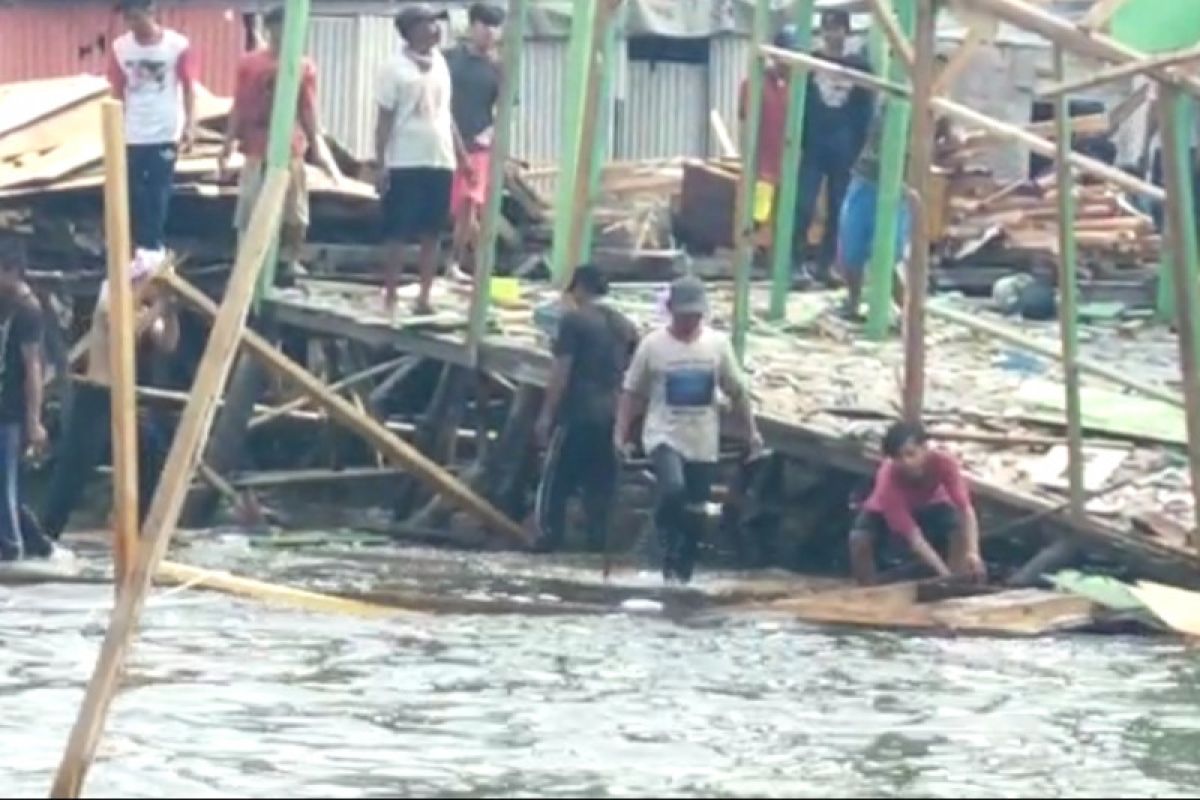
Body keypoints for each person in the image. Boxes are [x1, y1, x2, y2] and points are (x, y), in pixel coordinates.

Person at [615, 276, 763, 584]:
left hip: (702, 439)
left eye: (695, 315)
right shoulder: (653, 345)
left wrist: (751, 433)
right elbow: (631, 392)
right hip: (663, 435)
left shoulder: (717, 345)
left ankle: (679, 575)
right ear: (671, 310)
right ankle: (661, 536)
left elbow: (738, 392)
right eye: (684, 315)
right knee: (673, 489)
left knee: (696, 512)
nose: (689, 322)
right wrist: (621, 434)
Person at [41, 252, 179, 541]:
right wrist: (159, 306)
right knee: (75, 469)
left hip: (125, 401)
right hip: (96, 397)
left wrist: (170, 312)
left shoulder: (141, 308)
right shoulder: (111, 297)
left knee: (152, 453)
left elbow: (167, 344)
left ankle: (141, 527)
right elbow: (124, 333)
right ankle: (47, 532)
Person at [218, 5, 341, 285]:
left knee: (295, 214)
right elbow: (239, 106)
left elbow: (309, 110)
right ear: (271, 28)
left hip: (290, 148)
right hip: (256, 145)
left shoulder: (302, 65)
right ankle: (249, 263)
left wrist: (318, 146)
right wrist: (226, 145)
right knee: (251, 210)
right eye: (279, 26)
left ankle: (290, 260)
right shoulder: (250, 64)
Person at [534, 264, 638, 553]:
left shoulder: (573, 321)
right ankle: (597, 544)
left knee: (555, 481)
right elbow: (631, 371)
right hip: (612, 415)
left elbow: (561, 373)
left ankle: (548, 538)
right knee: (600, 485)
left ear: (579, 288)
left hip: (578, 411)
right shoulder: (625, 325)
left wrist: (545, 415)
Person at [375, 3, 467, 315]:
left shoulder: (441, 62)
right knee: (398, 231)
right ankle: (390, 295)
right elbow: (384, 119)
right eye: (428, 24)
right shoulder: (394, 68)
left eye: (436, 23)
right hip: (405, 158)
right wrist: (381, 163)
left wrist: (462, 154)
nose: (436, 29)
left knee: (433, 230)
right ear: (412, 30)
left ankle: (424, 296)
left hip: (439, 158)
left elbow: (447, 113)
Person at [107, 0, 197, 251]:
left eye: (137, 17)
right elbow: (117, 90)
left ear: (151, 12)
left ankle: (153, 245)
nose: (133, 24)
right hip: (133, 130)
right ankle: (134, 244)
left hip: (164, 129)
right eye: (129, 19)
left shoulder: (176, 46)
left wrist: (190, 125)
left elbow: (189, 87)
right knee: (133, 190)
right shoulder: (120, 48)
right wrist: (114, 130)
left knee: (158, 191)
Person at [849, 421, 985, 585]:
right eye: (898, 458)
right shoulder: (887, 480)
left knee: (957, 528)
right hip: (882, 511)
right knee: (859, 538)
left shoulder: (944, 463)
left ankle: (959, 576)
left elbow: (966, 510)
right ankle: (868, 590)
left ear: (925, 449)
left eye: (911, 454)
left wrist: (973, 552)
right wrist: (944, 574)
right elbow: (914, 538)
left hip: (931, 504)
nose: (906, 462)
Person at [793, 10, 874, 283]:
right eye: (828, 29)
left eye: (838, 29)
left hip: (844, 149)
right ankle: (795, 263)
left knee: (838, 210)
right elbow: (799, 104)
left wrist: (859, 147)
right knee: (803, 205)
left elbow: (865, 110)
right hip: (814, 146)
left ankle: (826, 265)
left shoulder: (859, 68)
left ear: (847, 32)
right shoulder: (810, 63)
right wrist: (799, 139)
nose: (832, 34)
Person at [0, 237, 52, 562]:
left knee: (5, 486)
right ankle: (37, 544)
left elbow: (33, 369)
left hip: (10, 412)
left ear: (14, 272)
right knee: (8, 488)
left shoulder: (28, 311)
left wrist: (34, 421)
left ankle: (12, 549)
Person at [445, 2, 506, 281]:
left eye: (495, 27)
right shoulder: (450, 60)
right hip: (444, 140)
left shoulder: (499, 68)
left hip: (478, 145)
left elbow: (504, 110)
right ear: (472, 27)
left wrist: (491, 135)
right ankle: (475, 261)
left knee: (469, 204)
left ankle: (457, 262)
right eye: (485, 26)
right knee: (449, 206)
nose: (490, 33)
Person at [737, 27, 799, 248]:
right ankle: (755, 252)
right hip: (764, 165)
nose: (788, 61)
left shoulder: (800, 87)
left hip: (790, 165)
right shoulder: (756, 83)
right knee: (758, 215)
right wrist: (747, 158)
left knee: (786, 216)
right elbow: (745, 122)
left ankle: (775, 256)